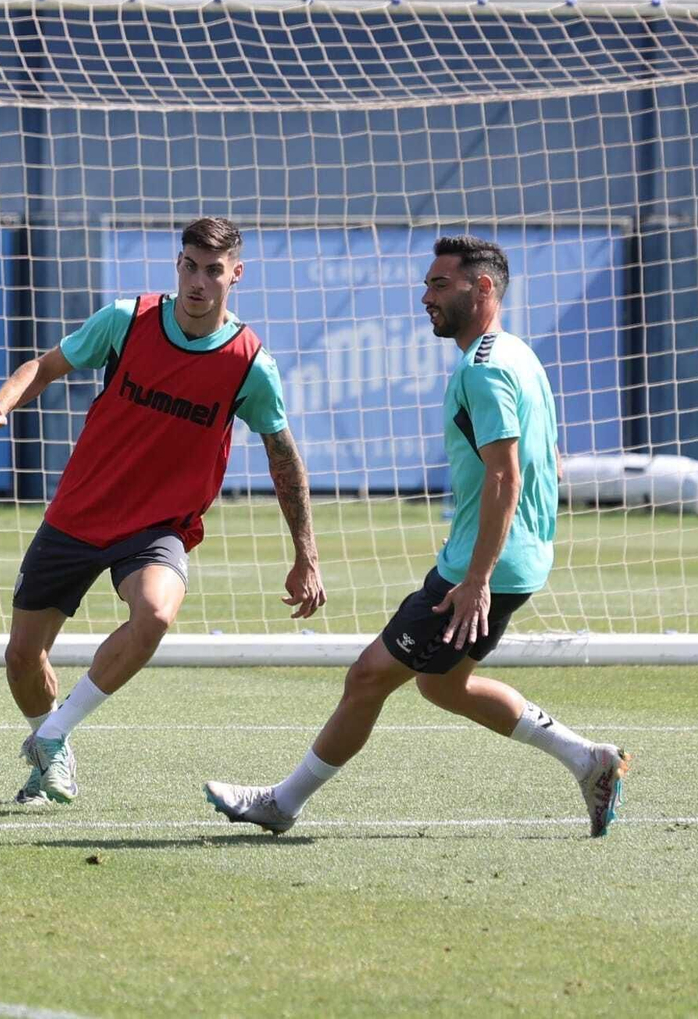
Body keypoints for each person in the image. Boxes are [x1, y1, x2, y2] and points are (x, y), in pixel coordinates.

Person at [204, 235, 629, 838]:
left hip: (481, 567)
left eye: (439, 284)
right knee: (442, 685)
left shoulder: (483, 370)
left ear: (481, 287)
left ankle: (282, 803)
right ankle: (589, 760)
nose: (424, 296)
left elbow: (506, 476)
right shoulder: (517, 355)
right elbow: (543, 461)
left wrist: (475, 579)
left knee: (368, 676)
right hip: (517, 560)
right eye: (426, 284)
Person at [0, 217, 325, 805]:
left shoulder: (249, 361)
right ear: (177, 265)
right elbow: (45, 365)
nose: (199, 282)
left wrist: (305, 555)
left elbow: (284, 458)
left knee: (155, 613)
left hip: (158, 526)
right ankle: (50, 749)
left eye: (213, 270)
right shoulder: (125, 320)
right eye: (190, 266)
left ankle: (53, 735)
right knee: (22, 655)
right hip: (79, 511)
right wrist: (1, 401)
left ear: (236, 274)